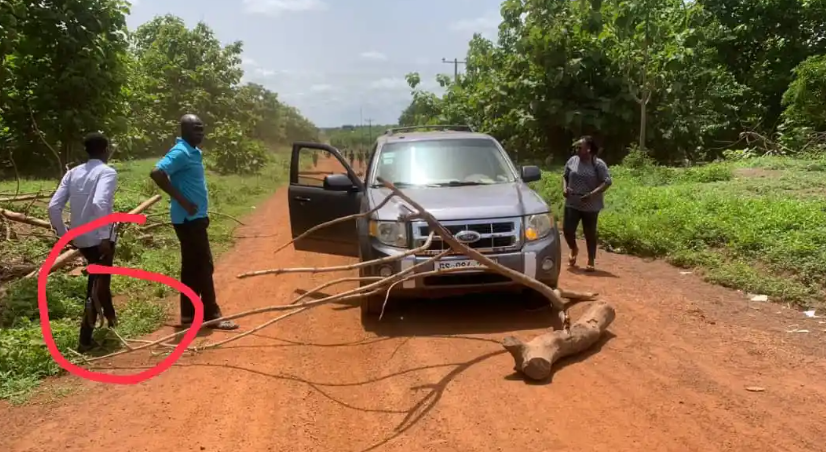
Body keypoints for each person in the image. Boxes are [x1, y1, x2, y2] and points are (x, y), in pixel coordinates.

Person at [150, 114, 238, 330]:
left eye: (201, 129)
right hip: (188, 219)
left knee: (191, 268)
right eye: (195, 129)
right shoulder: (181, 152)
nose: (200, 133)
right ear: (184, 131)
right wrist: (183, 201)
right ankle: (212, 315)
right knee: (204, 266)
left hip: (192, 219)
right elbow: (157, 173)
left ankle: (189, 316)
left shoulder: (193, 152)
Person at [48, 132, 119, 352]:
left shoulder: (73, 173)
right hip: (99, 239)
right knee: (95, 286)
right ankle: (85, 339)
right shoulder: (107, 172)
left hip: (80, 238)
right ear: (105, 150)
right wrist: (104, 236)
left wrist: (64, 234)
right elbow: (99, 203)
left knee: (101, 278)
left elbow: (53, 207)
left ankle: (111, 318)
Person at [561, 135, 612, 272]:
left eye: (580, 147)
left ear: (588, 149)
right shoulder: (573, 161)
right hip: (572, 202)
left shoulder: (598, 164)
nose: (577, 149)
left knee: (589, 233)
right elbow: (565, 176)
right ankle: (574, 248)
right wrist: (564, 189)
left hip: (591, 205)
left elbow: (607, 182)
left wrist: (592, 195)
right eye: (577, 147)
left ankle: (591, 260)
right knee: (567, 230)